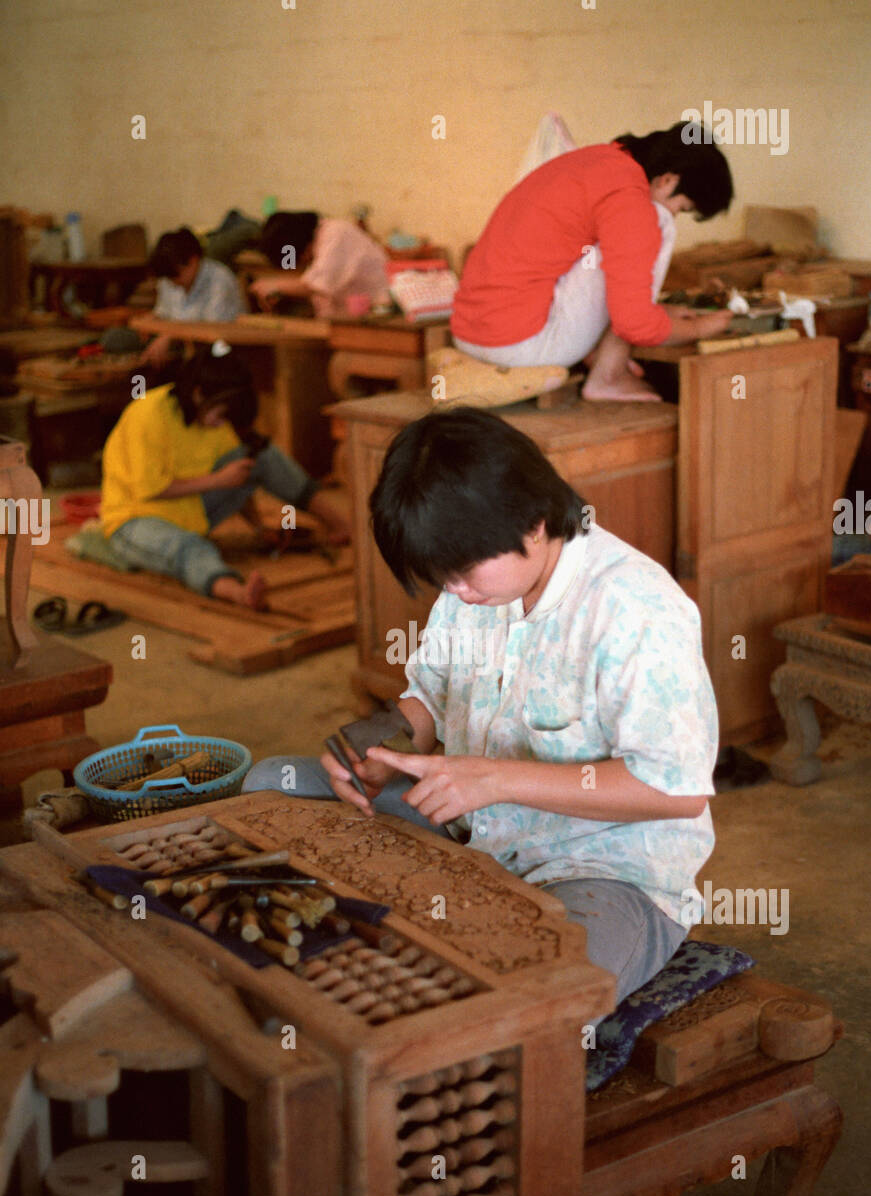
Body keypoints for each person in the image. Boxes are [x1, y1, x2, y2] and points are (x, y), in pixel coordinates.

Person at [244, 407, 718, 1007]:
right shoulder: (472, 586)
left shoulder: (636, 610)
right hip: (474, 834)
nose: (455, 592)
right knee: (271, 783)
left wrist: (494, 779)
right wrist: (385, 744)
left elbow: (676, 791)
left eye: (463, 573)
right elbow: (430, 702)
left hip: (603, 871)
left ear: (535, 521)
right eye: (441, 577)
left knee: (536, 998)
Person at [451, 122, 735, 402]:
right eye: (682, 208)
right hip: (519, 347)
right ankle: (608, 376)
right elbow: (633, 324)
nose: (675, 215)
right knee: (656, 221)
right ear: (669, 180)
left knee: (614, 248)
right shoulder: (630, 199)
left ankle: (602, 354)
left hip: (467, 334)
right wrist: (700, 328)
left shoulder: (593, 162)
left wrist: (656, 311)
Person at [101, 344, 349, 609]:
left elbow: (238, 476)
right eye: (220, 414)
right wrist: (219, 480)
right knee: (188, 546)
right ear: (198, 395)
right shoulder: (147, 415)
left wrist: (257, 528)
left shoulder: (212, 418)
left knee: (261, 456)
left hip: (190, 511)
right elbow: (152, 489)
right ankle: (238, 592)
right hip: (133, 520)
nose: (223, 423)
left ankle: (340, 524)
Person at [141, 227, 245, 370]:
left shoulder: (219, 279)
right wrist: (149, 322)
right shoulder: (168, 278)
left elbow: (212, 329)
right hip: (180, 345)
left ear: (193, 260)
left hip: (219, 351)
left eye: (176, 276)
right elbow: (163, 312)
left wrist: (170, 335)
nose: (173, 283)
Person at [249, 211, 389, 317]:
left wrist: (274, 285)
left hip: (376, 313)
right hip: (347, 316)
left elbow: (318, 284)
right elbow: (300, 273)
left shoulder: (335, 235)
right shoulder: (317, 239)